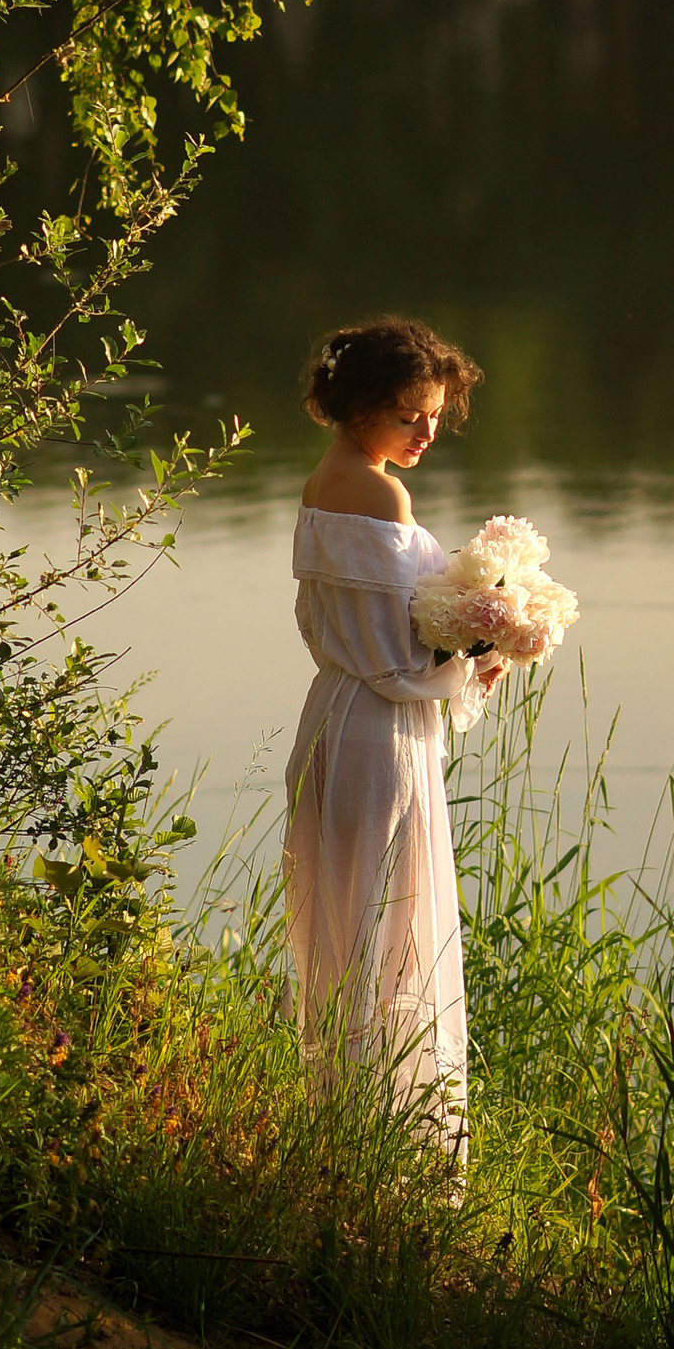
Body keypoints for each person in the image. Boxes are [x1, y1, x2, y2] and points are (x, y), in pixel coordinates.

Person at [286, 314, 502, 1164]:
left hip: (333, 716)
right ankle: (392, 1145)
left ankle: (344, 1125)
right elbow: (397, 658)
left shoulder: (322, 481)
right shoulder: (381, 494)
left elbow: (352, 634)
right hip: (378, 730)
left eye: (437, 414)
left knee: (351, 923)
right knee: (390, 924)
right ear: (363, 403)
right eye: (411, 413)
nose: (427, 431)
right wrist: (483, 645)